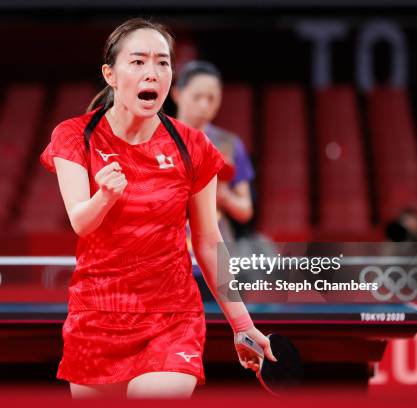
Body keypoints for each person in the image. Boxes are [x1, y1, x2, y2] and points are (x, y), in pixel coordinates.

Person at [40, 18, 274, 399]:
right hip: (97, 315)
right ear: (110, 74)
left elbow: (208, 239)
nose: (153, 72)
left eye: (162, 62)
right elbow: (81, 222)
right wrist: (105, 197)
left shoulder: (192, 146)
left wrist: (242, 323)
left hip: (171, 317)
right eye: (138, 62)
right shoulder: (74, 135)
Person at [172, 60, 255, 244]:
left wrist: (222, 195)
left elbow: (245, 210)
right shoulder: (157, 138)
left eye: (211, 98)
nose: (204, 105)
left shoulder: (229, 145)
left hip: (215, 246)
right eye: (197, 97)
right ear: (177, 94)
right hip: (168, 247)